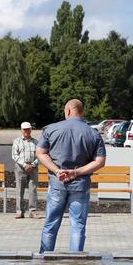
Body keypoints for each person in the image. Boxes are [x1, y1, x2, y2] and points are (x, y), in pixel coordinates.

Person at [36, 99, 106, 253]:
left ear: (67, 111)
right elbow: (100, 161)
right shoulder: (93, 134)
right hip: (80, 185)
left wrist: (56, 170)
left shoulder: (51, 129)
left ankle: (45, 259)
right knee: (78, 226)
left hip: (57, 184)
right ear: (82, 112)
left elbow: (40, 152)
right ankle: (76, 262)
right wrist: (76, 172)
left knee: (50, 224)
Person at [12, 121, 39, 219]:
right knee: (20, 190)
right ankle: (20, 211)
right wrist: (24, 165)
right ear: (21, 130)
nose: (27, 131)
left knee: (33, 190)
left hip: (33, 168)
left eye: (28, 129)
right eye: (25, 129)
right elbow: (15, 156)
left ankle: (33, 211)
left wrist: (32, 165)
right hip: (20, 167)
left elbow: (39, 155)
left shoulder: (36, 142)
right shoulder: (17, 141)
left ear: (31, 129)